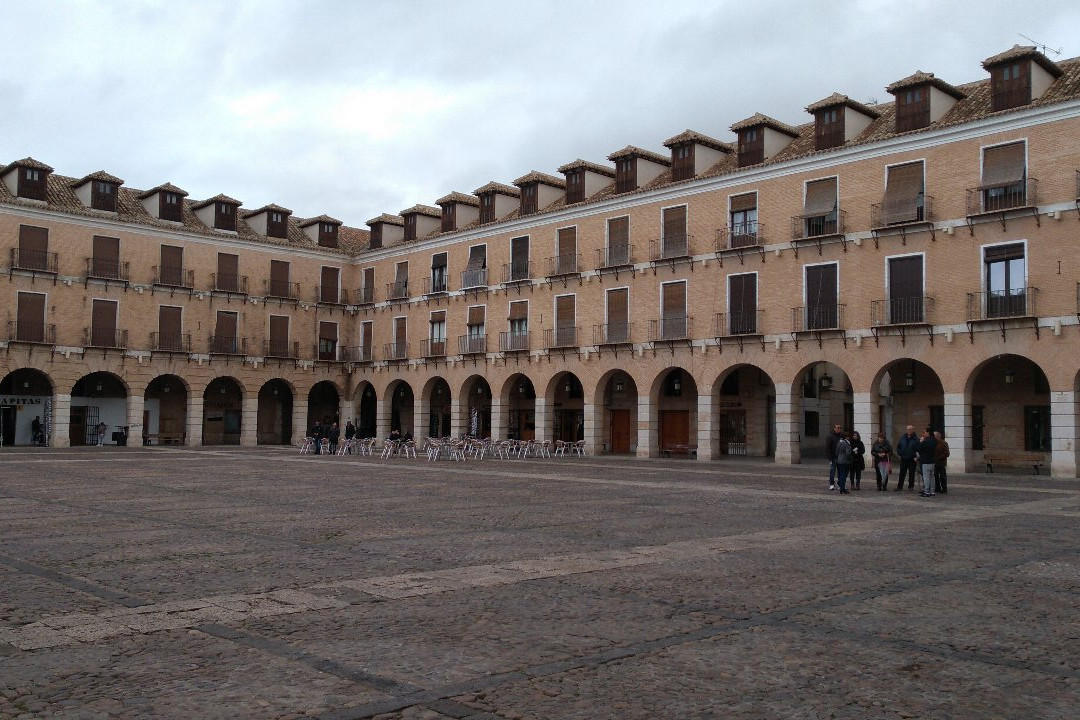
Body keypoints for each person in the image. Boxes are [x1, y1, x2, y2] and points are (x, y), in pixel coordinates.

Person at [895, 425, 919, 491]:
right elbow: (898, 447)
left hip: (912, 459)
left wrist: (916, 456)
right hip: (903, 458)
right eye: (908, 429)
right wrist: (900, 453)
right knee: (902, 473)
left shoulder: (916, 439)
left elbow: (918, 449)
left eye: (910, 429)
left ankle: (911, 486)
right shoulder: (902, 438)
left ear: (913, 430)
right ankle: (899, 486)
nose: (909, 431)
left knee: (911, 473)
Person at [917, 427, 938, 497]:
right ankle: (932, 491)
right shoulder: (934, 440)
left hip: (925, 461)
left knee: (926, 477)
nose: (924, 434)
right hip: (932, 461)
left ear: (928, 433)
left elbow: (919, 449)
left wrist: (921, 442)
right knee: (932, 477)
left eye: (925, 432)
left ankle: (927, 491)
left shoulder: (925, 441)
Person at [825, 423, 843, 491]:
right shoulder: (830, 436)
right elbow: (828, 447)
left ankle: (839, 484)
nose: (839, 429)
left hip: (840, 457)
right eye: (838, 428)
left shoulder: (841, 436)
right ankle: (831, 484)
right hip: (833, 457)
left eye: (840, 428)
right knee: (832, 471)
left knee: (840, 471)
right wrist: (829, 457)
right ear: (834, 428)